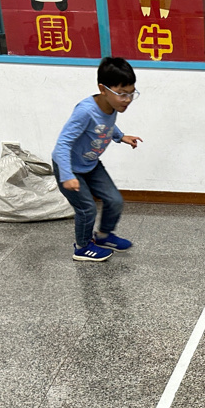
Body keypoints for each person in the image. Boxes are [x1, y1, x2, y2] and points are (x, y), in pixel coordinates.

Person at [53, 57, 143, 261]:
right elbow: (62, 145)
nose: (127, 99)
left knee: (115, 200)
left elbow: (105, 125)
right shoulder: (85, 111)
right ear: (103, 89)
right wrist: (67, 175)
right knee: (87, 208)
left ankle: (103, 236)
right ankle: (82, 247)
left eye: (131, 93)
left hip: (91, 165)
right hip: (69, 168)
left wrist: (121, 136)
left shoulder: (111, 106)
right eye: (122, 93)